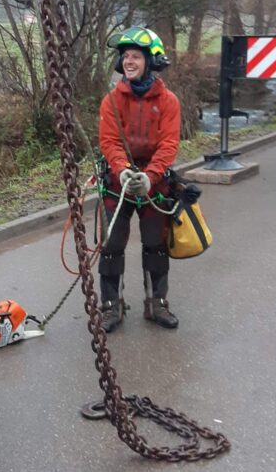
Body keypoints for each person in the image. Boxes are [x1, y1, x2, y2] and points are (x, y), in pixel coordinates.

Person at [98, 26, 181, 332]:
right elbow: (109, 141)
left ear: (150, 60)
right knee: (111, 244)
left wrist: (150, 177)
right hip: (119, 181)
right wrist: (121, 169)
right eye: (126, 57)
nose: (129, 61)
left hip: (154, 184)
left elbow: (169, 144)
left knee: (155, 244)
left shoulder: (168, 101)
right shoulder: (112, 100)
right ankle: (110, 306)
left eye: (136, 56)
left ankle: (156, 303)